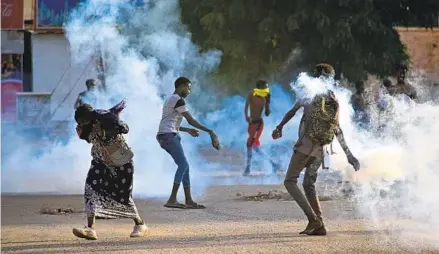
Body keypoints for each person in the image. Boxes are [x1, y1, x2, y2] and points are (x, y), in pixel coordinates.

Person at [272, 63, 360, 236]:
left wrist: (279, 127)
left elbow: (292, 112)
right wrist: (349, 155)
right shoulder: (333, 98)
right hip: (321, 150)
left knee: (290, 181)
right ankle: (319, 226)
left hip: (305, 146)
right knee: (308, 184)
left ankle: (313, 219)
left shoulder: (309, 92)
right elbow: (337, 128)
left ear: (316, 76)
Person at [73, 100, 147, 240]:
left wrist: (108, 128)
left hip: (121, 163)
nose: (80, 124)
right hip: (100, 162)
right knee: (90, 189)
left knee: (122, 196)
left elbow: (124, 128)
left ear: (88, 117)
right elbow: (90, 139)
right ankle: (90, 229)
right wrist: (82, 134)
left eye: (82, 121)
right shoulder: (88, 127)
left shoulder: (106, 120)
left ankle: (140, 224)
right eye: (79, 122)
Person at [157, 76, 220, 209]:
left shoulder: (170, 99)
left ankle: (189, 200)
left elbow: (170, 122)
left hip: (166, 134)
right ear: (181, 86)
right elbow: (191, 120)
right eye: (188, 88)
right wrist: (210, 132)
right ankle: (172, 199)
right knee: (183, 164)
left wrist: (187, 130)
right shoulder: (178, 100)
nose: (189, 91)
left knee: (185, 166)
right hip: (169, 136)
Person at [243, 80, 280, 176]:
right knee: (253, 146)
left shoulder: (265, 96)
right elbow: (246, 107)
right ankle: (273, 164)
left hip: (259, 124)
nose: (266, 89)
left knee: (251, 144)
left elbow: (267, 114)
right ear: (259, 87)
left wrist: (268, 103)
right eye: (264, 87)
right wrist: (247, 117)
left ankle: (248, 168)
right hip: (251, 124)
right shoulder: (251, 94)